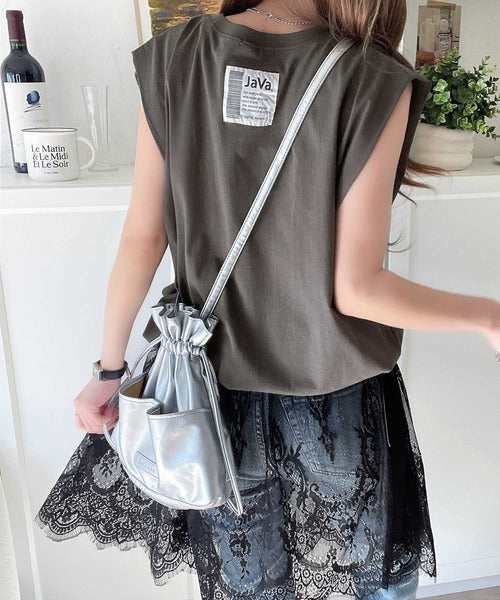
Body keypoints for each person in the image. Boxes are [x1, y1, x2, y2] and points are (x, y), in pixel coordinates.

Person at [35, 2, 500, 599]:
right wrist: (487, 315)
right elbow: (358, 290)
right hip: (336, 402)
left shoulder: (175, 59)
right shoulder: (370, 77)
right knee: (369, 586)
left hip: (209, 403)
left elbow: (141, 239)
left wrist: (108, 371)